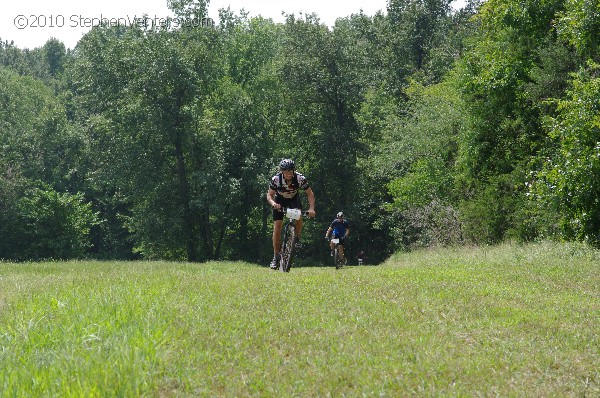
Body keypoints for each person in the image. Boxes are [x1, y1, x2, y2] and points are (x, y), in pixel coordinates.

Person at [266, 159, 316, 269]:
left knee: (298, 217)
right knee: (277, 226)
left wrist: (311, 208)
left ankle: (296, 238)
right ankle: (276, 257)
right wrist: (274, 204)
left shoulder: (300, 178)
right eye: (286, 171)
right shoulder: (276, 179)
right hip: (279, 201)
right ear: (282, 171)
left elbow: (310, 193)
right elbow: (269, 195)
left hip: (293, 200)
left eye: (291, 171)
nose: (289, 173)